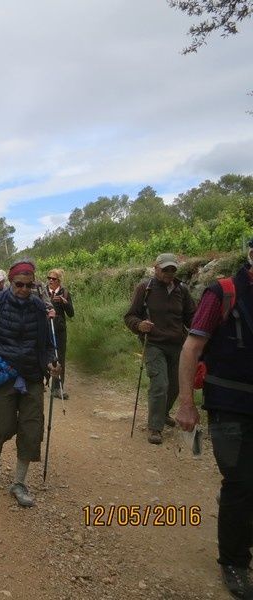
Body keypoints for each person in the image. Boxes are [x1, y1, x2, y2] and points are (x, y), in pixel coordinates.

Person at [175, 239, 253, 599]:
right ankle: (235, 561)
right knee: (240, 482)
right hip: (228, 404)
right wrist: (187, 403)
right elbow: (192, 346)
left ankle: (237, 528)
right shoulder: (222, 293)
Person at [0, 258, 59, 508]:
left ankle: (19, 482)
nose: (23, 290)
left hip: (32, 374)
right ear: (11, 283)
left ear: (33, 285)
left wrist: (53, 361)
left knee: (31, 430)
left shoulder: (37, 307)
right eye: (19, 285)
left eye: (28, 286)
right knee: (3, 425)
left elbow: (47, 345)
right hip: (4, 372)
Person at [124, 253, 196, 444]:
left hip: (178, 344)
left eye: (173, 269)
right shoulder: (145, 288)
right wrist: (139, 325)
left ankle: (163, 413)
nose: (169, 273)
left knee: (176, 385)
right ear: (156, 268)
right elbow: (130, 316)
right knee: (160, 384)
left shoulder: (182, 290)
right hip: (154, 343)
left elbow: (192, 317)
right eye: (165, 269)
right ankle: (155, 427)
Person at [46, 268, 74, 399]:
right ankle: (42, 383)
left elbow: (71, 314)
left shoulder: (65, 293)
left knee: (60, 358)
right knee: (44, 355)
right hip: (45, 329)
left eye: (54, 279)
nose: (51, 281)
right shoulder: (43, 292)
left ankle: (58, 388)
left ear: (59, 281)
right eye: (49, 278)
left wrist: (64, 302)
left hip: (60, 330)